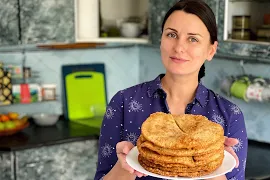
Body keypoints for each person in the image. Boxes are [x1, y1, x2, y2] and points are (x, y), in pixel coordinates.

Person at [94, 0, 248, 179]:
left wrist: (211, 161)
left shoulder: (229, 115)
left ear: (211, 50)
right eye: (171, 35)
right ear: (161, 40)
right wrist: (126, 165)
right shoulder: (123, 103)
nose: (179, 47)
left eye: (193, 39)